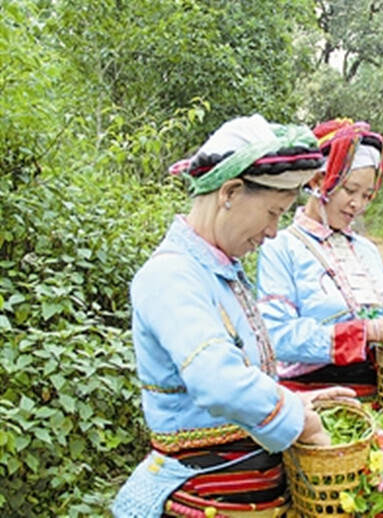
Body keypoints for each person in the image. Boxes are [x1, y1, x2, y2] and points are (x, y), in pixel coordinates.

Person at [114, 115, 354, 517]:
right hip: (203, 496)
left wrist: (296, 400)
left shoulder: (223, 273)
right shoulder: (171, 275)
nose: (274, 231)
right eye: (273, 213)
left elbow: (243, 381)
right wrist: (300, 420)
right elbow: (217, 380)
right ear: (230, 192)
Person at [256, 118, 383, 514]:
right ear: (319, 181)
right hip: (318, 409)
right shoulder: (282, 247)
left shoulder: (366, 252)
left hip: (377, 409)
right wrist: (368, 331)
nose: (358, 204)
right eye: (350, 190)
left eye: (368, 195)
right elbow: (277, 335)